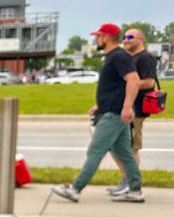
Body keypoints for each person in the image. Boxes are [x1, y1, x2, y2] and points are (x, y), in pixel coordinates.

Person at [52, 23, 144, 203]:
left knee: (95, 151)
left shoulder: (118, 56)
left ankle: (75, 189)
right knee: (124, 152)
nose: (96, 39)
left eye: (98, 36)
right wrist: (99, 105)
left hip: (114, 114)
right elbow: (116, 86)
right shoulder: (113, 57)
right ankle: (135, 190)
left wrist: (127, 106)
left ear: (107, 37)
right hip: (111, 111)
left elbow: (133, 79)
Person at [106, 27, 159, 196]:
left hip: (136, 109)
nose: (126, 40)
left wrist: (129, 84)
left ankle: (132, 183)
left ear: (141, 38)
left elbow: (149, 83)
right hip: (124, 108)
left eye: (130, 37)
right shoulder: (130, 57)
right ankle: (126, 180)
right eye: (124, 37)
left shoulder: (145, 58)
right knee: (117, 147)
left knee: (131, 148)